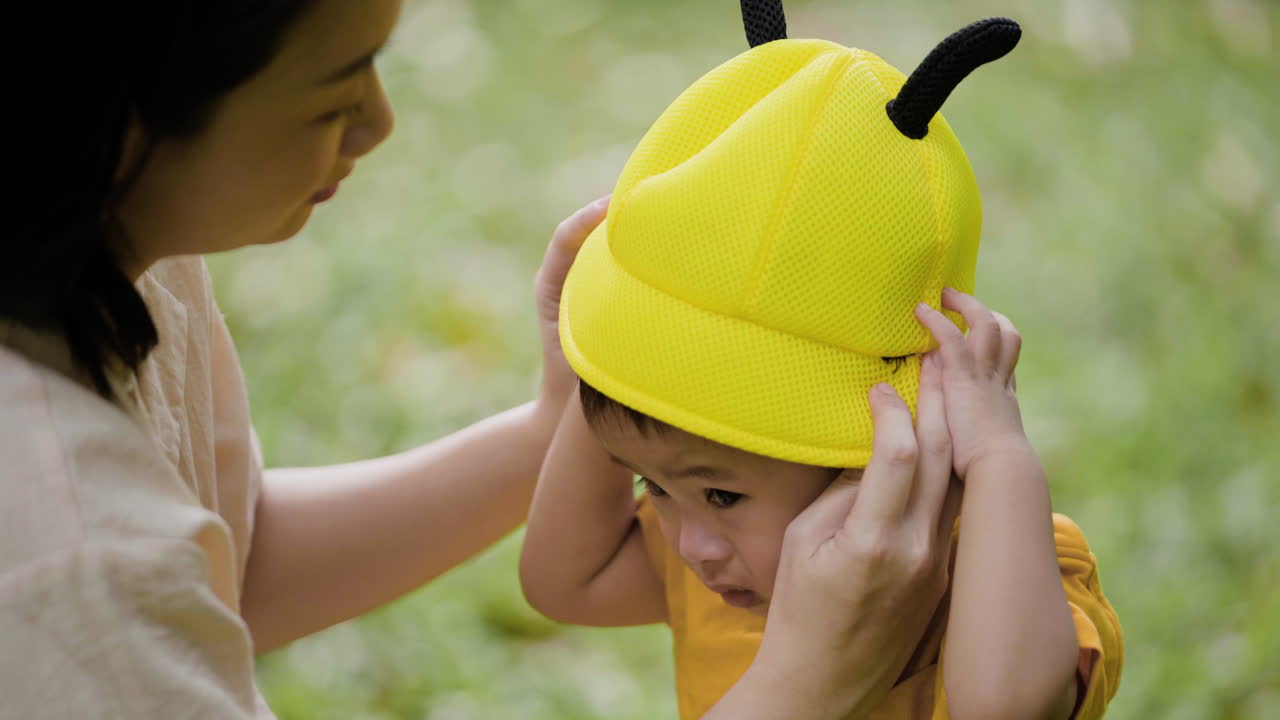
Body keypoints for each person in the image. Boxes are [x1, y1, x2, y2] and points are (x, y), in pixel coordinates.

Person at [0, 1, 981, 719]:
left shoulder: (112, 243)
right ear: (117, 116)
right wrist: (807, 684)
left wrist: (566, 420)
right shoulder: (53, 545)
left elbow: (223, 575)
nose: (377, 123)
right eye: (333, 92)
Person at [520, 6, 1123, 720]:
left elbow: (1003, 706)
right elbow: (563, 582)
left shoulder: (1003, 565)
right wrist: (616, 358)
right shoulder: (726, 545)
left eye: (721, 496)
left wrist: (997, 458)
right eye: (653, 485)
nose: (688, 544)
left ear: (873, 454)